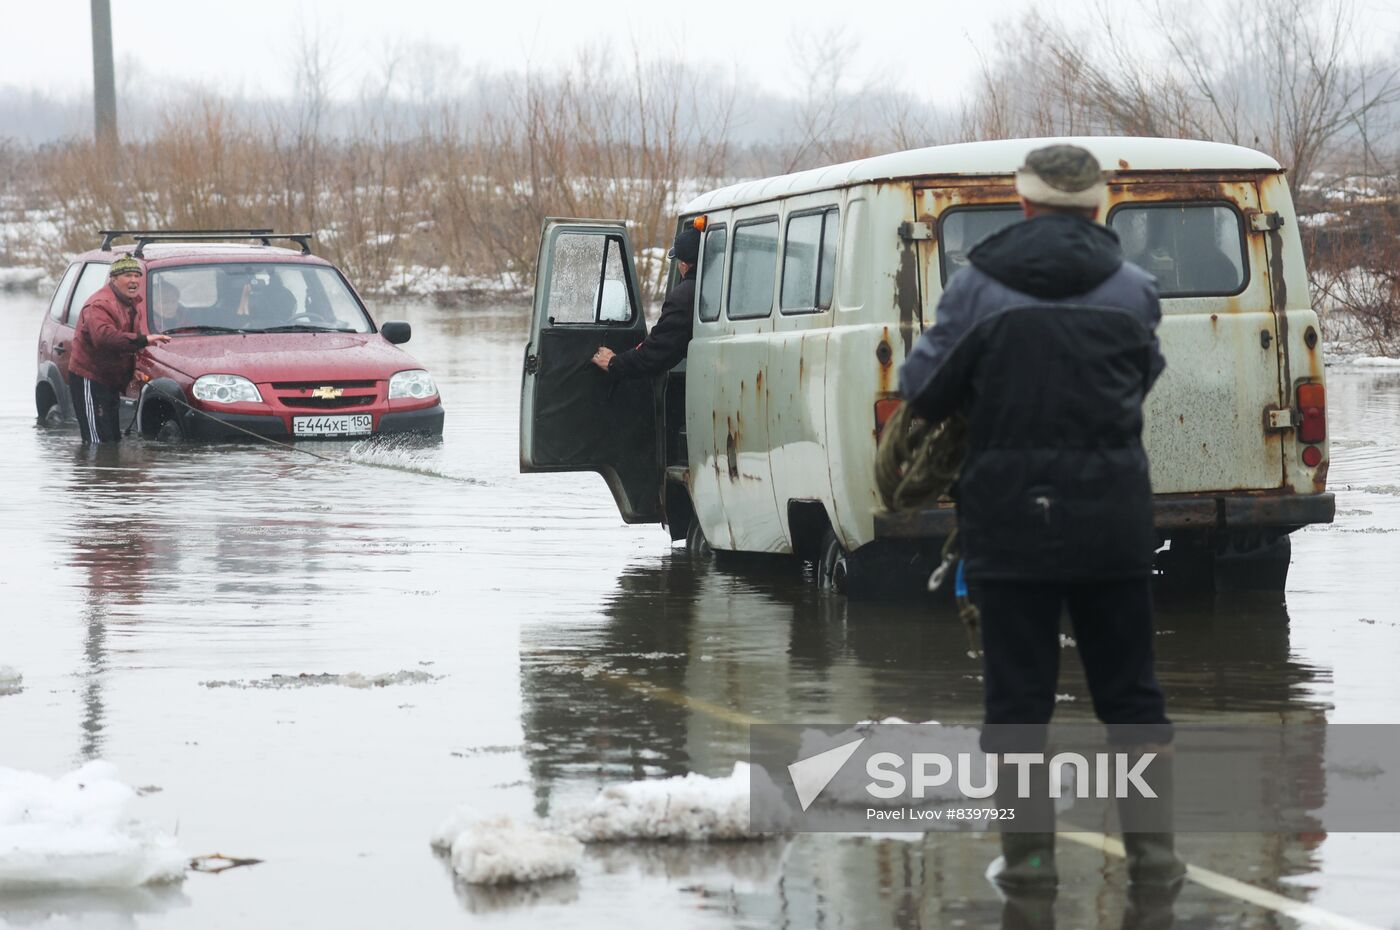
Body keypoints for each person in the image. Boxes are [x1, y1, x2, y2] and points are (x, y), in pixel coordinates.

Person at [897, 145, 1183, 895]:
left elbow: (921, 391)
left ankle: (1029, 865)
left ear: (1022, 205)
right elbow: (1143, 376)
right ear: (1098, 207)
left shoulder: (975, 289)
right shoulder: (1135, 290)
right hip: (1113, 522)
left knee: (1018, 703)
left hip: (1008, 524)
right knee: (1132, 696)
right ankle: (1155, 864)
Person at [67, 255, 171, 443]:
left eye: (136, 276)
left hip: (110, 380)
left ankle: (111, 473)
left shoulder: (131, 304)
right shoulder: (100, 304)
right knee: (96, 442)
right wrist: (144, 339)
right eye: (127, 276)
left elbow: (126, 345)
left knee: (112, 439)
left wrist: (135, 369)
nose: (133, 281)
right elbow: (105, 338)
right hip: (89, 379)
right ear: (113, 279)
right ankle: (93, 471)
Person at [590, 222, 699, 378]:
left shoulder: (685, 296)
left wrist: (613, 363)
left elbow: (657, 352)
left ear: (683, 265)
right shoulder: (712, 286)